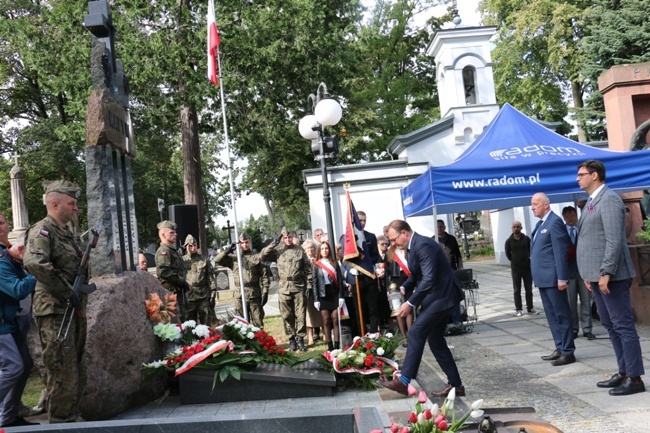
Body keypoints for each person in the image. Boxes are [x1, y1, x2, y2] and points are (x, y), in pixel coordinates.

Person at [23, 180, 94, 423]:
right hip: (54, 312)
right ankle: (61, 422)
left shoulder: (66, 232)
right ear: (55, 204)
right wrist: (67, 292)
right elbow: (34, 263)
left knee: (76, 368)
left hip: (72, 309)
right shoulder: (43, 230)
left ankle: (71, 416)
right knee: (62, 372)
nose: (76, 208)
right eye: (71, 203)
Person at [576, 159, 645, 396]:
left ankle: (635, 378)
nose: (578, 178)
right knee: (609, 324)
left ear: (595, 175)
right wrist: (590, 275)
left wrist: (605, 272)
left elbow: (614, 240)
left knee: (623, 325)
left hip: (612, 277)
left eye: (582, 174)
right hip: (596, 277)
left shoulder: (610, 199)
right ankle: (624, 371)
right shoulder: (593, 201)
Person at [379, 220, 465, 398]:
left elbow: (429, 278)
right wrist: (402, 289)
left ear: (404, 233)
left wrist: (410, 303)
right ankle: (456, 385)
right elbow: (416, 275)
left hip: (443, 297)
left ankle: (404, 381)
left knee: (416, 331)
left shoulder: (423, 245)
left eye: (394, 240)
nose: (393, 244)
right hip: (437, 297)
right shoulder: (412, 248)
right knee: (435, 340)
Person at [530, 192, 576, 366]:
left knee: (561, 315)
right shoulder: (541, 223)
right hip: (543, 279)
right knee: (551, 316)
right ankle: (560, 347)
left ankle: (568, 351)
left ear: (545, 205)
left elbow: (560, 252)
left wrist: (562, 277)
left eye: (535, 204)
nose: (532, 207)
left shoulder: (554, 222)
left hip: (554, 278)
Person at [0, 237, 38, 428]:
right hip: (1, 326)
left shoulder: (9, 259)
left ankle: (8, 418)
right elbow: (18, 289)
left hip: (10, 322)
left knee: (25, 363)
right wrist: (37, 272)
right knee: (13, 367)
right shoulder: (1, 262)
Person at [261, 228, 312, 351]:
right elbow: (263, 255)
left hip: (298, 285)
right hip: (284, 287)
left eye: (289, 237)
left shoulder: (299, 250)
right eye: (285, 237)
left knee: (300, 314)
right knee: (286, 315)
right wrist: (274, 243)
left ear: (292, 237)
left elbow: (307, 269)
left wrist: (309, 285)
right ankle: (291, 339)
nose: (288, 239)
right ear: (282, 238)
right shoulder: (277, 251)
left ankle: (300, 339)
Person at [215, 233, 269, 328]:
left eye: (246, 242)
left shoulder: (257, 256)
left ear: (250, 242)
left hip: (254, 294)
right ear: (239, 244)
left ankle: (260, 341)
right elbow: (217, 260)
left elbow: (264, 276)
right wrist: (227, 251)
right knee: (241, 324)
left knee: (258, 322)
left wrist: (265, 291)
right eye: (242, 243)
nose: (245, 245)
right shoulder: (234, 258)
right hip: (239, 294)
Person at [562, 206, 595, 340]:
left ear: (576, 216)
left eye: (572, 216)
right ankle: (574, 328)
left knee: (586, 302)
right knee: (571, 304)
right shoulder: (561, 232)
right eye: (568, 217)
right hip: (569, 273)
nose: (570, 219)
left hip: (584, 272)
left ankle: (587, 328)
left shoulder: (582, 229)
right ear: (564, 217)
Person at [312, 241, 346, 351]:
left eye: (326, 248)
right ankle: (329, 345)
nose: (324, 251)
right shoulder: (316, 265)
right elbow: (314, 283)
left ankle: (337, 345)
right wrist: (316, 299)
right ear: (319, 251)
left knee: (335, 319)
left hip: (334, 293)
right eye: (322, 249)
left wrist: (341, 296)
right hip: (323, 294)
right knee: (326, 320)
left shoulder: (335, 263)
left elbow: (340, 281)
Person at [155, 220, 189, 322]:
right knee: (176, 322)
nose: (175, 234)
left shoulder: (172, 251)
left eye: (175, 232)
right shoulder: (164, 251)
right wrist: (181, 281)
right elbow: (163, 272)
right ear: (163, 234)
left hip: (178, 292)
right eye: (171, 232)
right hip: (170, 293)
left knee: (184, 319)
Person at [504, 220, 538, 317]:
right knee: (516, 290)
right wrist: (515, 261)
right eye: (514, 227)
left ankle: (530, 307)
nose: (516, 228)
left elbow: (531, 250)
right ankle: (518, 308)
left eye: (518, 226)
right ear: (512, 228)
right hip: (516, 269)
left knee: (529, 289)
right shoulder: (509, 241)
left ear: (521, 228)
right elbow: (507, 254)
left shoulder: (526, 239)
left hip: (527, 268)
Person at [183, 235, 217, 325]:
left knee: (206, 324)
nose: (193, 248)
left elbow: (210, 278)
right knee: (189, 325)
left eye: (195, 245)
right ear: (186, 246)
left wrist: (213, 295)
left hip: (203, 296)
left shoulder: (204, 260)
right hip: (189, 297)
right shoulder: (182, 261)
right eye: (190, 246)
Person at [356, 211, 380, 333]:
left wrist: (366, 261)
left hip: (369, 277)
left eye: (364, 220)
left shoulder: (371, 236)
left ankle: (374, 334)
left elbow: (376, 256)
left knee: (373, 309)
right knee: (360, 310)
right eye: (360, 220)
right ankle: (361, 335)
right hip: (357, 279)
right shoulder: (349, 238)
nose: (363, 223)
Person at [385, 243, 412, 347]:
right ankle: (404, 337)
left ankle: (411, 335)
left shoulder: (408, 251)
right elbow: (387, 272)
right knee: (398, 310)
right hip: (394, 282)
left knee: (409, 307)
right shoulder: (390, 253)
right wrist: (388, 290)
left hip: (408, 279)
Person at [302, 239, 322, 345]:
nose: (310, 249)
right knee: (309, 314)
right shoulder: (303, 261)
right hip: (308, 289)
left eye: (312, 247)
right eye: (308, 248)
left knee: (322, 312)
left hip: (319, 289)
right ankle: (310, 337)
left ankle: (324, 334)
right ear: (305, 250)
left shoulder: (319, 259)